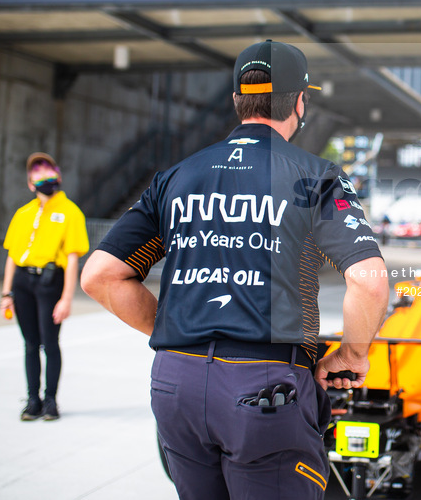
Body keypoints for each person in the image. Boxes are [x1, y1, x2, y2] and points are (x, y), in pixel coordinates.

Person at [80, 39, 390, 500]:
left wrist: (175, 331)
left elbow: (100, 276)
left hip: (175, 384)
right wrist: (352, 354)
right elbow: (368, 279)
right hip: (265, 388)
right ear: (300, 102)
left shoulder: (178, 176)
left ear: (237, 101)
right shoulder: (315, 176)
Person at [0, 152, 89, 421]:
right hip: (23, 282)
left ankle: (51, 400)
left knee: (50, 343)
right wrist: (6, 293)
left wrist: (66, 298)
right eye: (36, 172)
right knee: (30, 344)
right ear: (30, 183)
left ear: (58, 176)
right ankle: (32, 400)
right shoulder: (23, 213)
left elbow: (73, 258)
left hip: (51, 282)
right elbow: (12, 257)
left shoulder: (70, 212)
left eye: (47, 170)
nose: (43, 176)